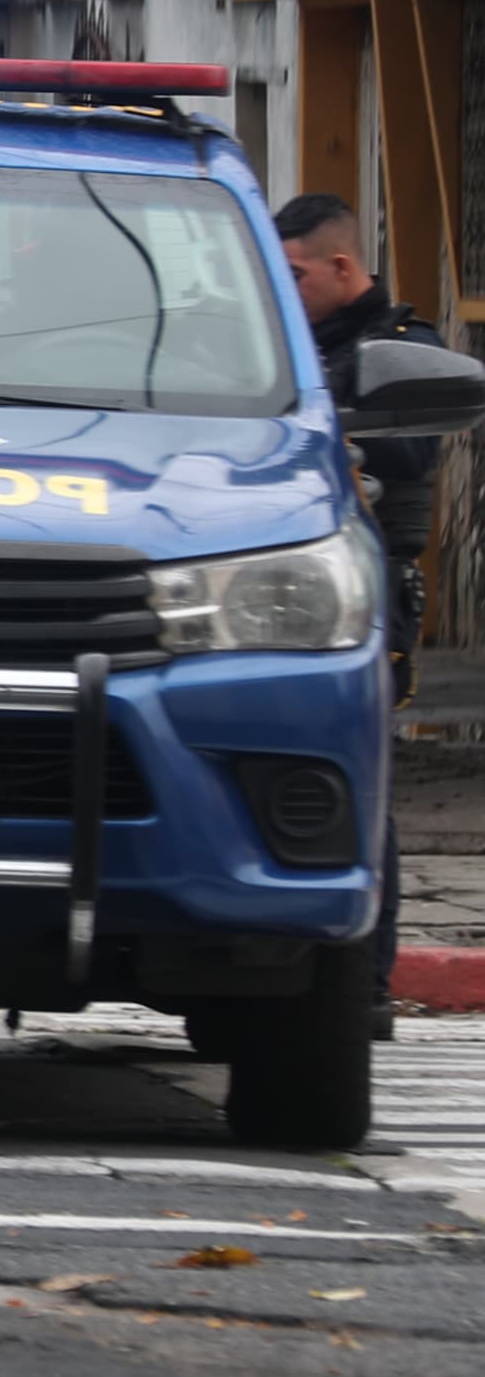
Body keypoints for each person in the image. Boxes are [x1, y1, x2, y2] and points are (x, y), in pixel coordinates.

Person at [278, 190, 431, 1004]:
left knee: (364, 783)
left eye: (295, 275)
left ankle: (363, 987)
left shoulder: (402, 345)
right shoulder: (281, 342)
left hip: (369, 591)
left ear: (342, 266)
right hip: (284, 592)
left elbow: (407, 449)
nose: (284, 288)